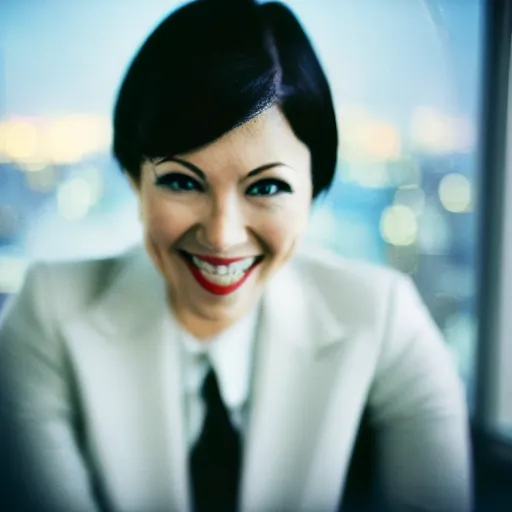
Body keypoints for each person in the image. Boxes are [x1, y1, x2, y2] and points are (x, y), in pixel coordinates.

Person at [0, 0, 472, 511]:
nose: (223, 236)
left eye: (267, 186)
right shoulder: (47, 311)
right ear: (136, 180)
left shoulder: (382, 317)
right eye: (182, 181)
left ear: (315, 189)